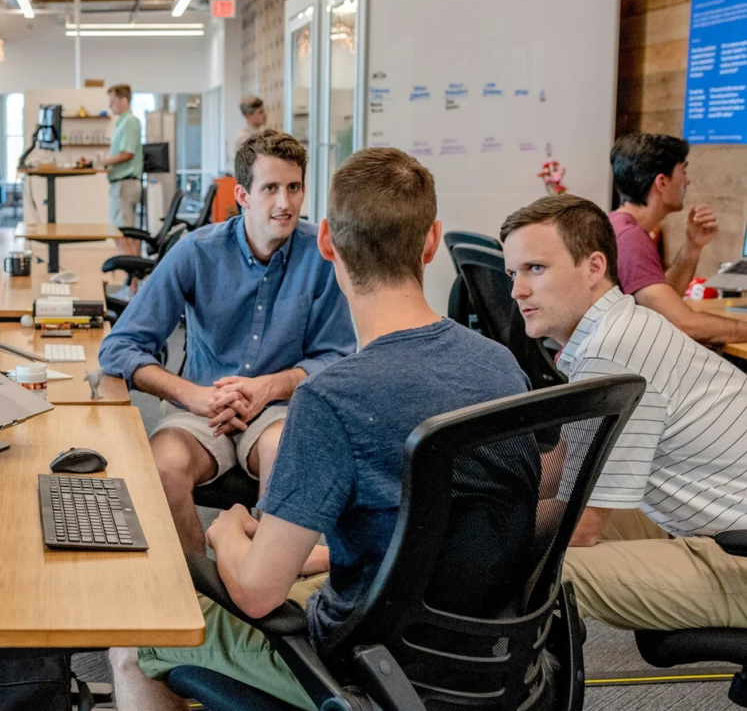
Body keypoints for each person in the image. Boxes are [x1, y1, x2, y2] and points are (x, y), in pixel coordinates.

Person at [110, 147, 534, 711]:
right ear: (432, 242)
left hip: (363, 671)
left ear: (327, 240)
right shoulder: (502, 365)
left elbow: (258, 595)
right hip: (490, 663)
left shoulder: (330, 400)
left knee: (132, 636)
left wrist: (228, 533)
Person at [98, 130, 355, 556]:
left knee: (283, 453)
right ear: (243, 195)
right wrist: (191, 395)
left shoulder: (322, 255)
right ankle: (201, 587)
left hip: (278, 409)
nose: (285, 203)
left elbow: (339, 357)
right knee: (163, 466)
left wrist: (268, 388)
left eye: (294, 188)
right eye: (270, 188)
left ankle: (261, 585)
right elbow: (119, 347)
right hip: (201, 406)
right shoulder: (196, 252)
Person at [501, 194, 747, 632]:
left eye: (535, 269)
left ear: (594, 267)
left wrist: (447, 533)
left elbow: (581, 527)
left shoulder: (613, 351)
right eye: (513, 273)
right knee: (507, 525)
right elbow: (568, 465)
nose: (517, 290)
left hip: (736, 558)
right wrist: (464, 498)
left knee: (545, 566)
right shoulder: (616, 331)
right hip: (715, 531)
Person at [608, 133, 747, 343]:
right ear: (662, 182)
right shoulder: (630, 239)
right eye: (683, 171)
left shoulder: (618, 225)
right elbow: (682, 323)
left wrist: (693, 246)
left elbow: (662, 304)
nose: (687, 181)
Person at [103, 84, 144, 256]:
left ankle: (132, 282)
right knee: (124, 233)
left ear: (124, 100)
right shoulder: (122, 123)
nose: (110, 105)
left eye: (113, 101)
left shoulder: (130, 122)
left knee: (124, 235)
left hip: (125, 185)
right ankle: (133, 279)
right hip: (121, 184)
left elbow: (127, 153)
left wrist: (105, 162)